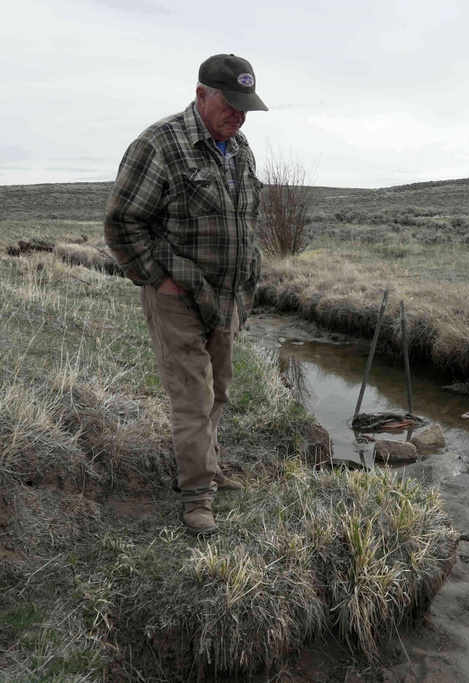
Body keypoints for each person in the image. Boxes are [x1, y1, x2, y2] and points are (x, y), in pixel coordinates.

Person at [103, 54, 268, 535]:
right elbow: (122, 223)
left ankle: (208, 469)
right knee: (192, 398)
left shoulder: (240, 149)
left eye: (245, 108)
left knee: (219, 389)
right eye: (230, 105)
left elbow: (246, 221)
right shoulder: (159, 144)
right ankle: (197, 495)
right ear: (201, 95)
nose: (238, 116)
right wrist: (160, 278)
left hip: (226, 297)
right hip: (177, 296)